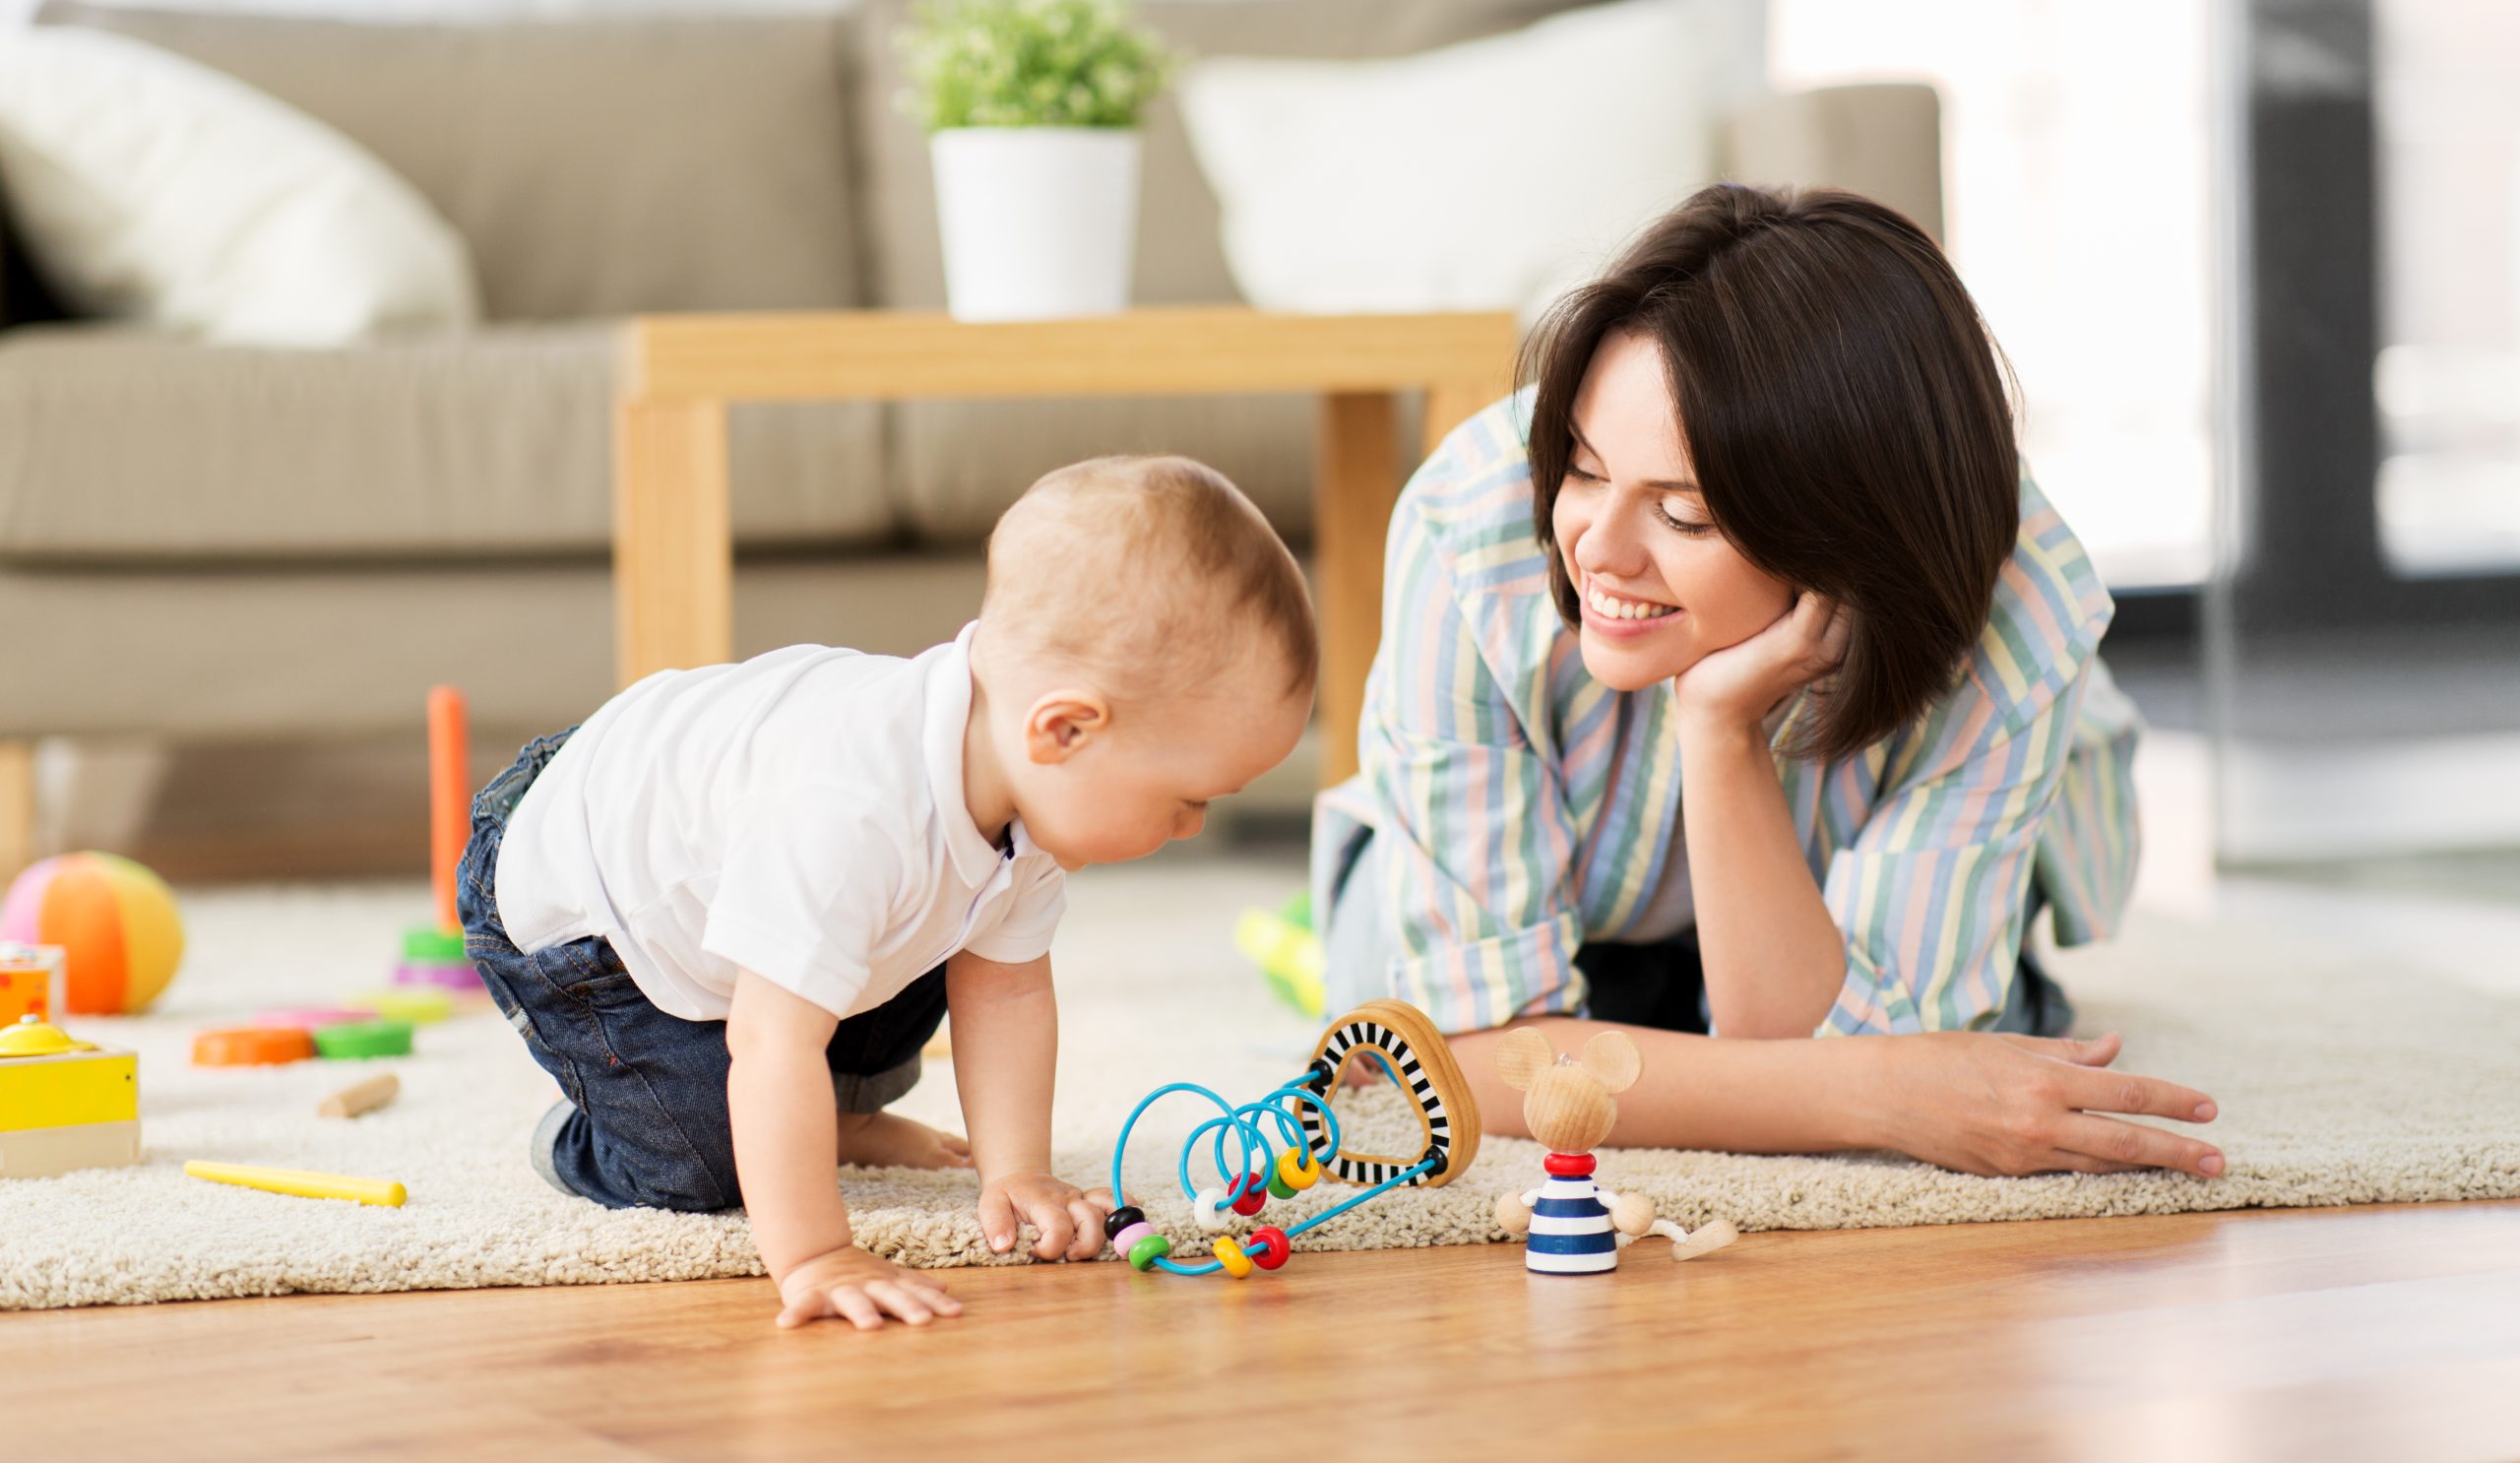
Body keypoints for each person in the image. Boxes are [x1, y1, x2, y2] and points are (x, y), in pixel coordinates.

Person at [1315, 183, 2225, 1180]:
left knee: (1993, 1015)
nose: (1598, 551)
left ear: (1842, 537)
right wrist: (1884, 1088)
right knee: (1381, 1019)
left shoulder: (2020, 607)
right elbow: (1467, 1058)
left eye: (1685, 515)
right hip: (1556, 901)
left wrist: (1718, 728)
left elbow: (1862, 1037)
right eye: (1581, 468)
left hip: (1792, 913)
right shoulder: (1472, 517)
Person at [461, 456, 1316, 1330]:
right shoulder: (853, 812)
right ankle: (589, 1141)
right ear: (1064, 729)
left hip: (732, 864)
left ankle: (833, 1113)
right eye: (1188, 798)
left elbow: (1008, 984)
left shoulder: (1029, 786)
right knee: (708, 1154)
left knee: (925, 954)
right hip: (585, 910)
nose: (1194, 826)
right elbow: (768, 1037)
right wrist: (815, 1254)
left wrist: (1014, 1167)